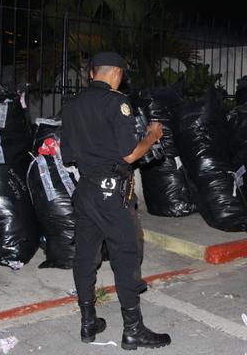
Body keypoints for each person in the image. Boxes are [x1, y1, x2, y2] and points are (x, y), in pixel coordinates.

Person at [59, 51, 171, 350]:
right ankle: (133, 330)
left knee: (85, 257)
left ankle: (88, 323)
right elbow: (130, 154)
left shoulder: (70, 107)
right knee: (126, 256)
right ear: (117, 74)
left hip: (85, 192)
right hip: (113, 193)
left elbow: (67, 156)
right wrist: (152, 136)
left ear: (91, 72)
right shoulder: (117, 103)